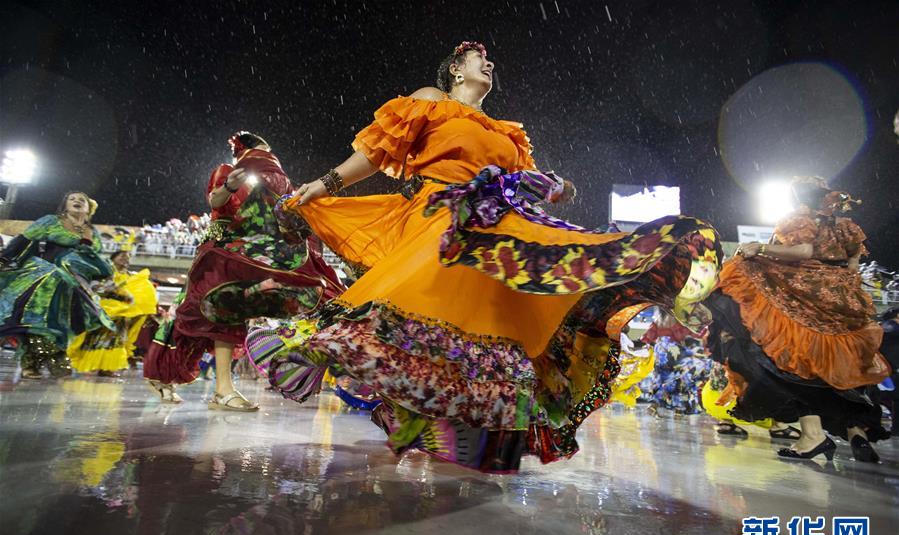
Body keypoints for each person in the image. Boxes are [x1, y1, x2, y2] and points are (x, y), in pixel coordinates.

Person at [253, 41, 722, 472]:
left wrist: (554, 185)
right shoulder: (431, 100)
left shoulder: (505, 131)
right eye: (480, 58)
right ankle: (413, 418)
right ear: (456, 69)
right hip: (441, 219)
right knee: (424, 315)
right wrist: (325, 184)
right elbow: (378, 153)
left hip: (498, 228)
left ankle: (447, 433)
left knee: (485, 329)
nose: (490, 63)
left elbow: (523, 183)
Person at [142, 132, 343, 409]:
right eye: (263, 148)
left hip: (248, 253)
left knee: (223, 315)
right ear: (247, 149)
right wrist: (229, 185)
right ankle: (191, 382)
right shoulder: (229, 170)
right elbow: (215, 201)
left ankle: (220, 389)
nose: (268, 154)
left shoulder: (272, 182)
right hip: (223, 252)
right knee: (202, 316)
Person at [704, 177, 891, 462]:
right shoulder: (844, 225)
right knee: (843, 368)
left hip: (803, 301)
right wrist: (834, 282)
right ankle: (857, 432)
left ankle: (813, 436)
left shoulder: (800, 219)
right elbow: (853, 265)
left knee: (799, 368)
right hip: (842, 303)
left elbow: (804, 252)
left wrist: (759, 249)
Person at [0, 191, 114, 378]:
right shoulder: (50, 221)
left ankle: (56, 354)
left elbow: (95, 260)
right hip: (43, 274)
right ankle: (32, 363)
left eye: (82, 200)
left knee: (66, 322)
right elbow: (23, 241)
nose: (77, 201)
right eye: (72, 199)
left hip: (74, 282)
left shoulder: (92, 232)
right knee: (36, 319)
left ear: (88, 208)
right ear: (64, 205)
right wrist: (4, 259)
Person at [67, 250, 158, 376]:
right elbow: (96, 288)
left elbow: (142, 294)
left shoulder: (133, 277)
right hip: (104, 312)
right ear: (113, 258)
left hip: (123, 316)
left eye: (128, 257)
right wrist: (117, 293)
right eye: (122, 256)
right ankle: (93, 365)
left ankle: (107, 368)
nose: (125, 259)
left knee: (115, 341)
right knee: (96, 340)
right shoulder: (105, 272)